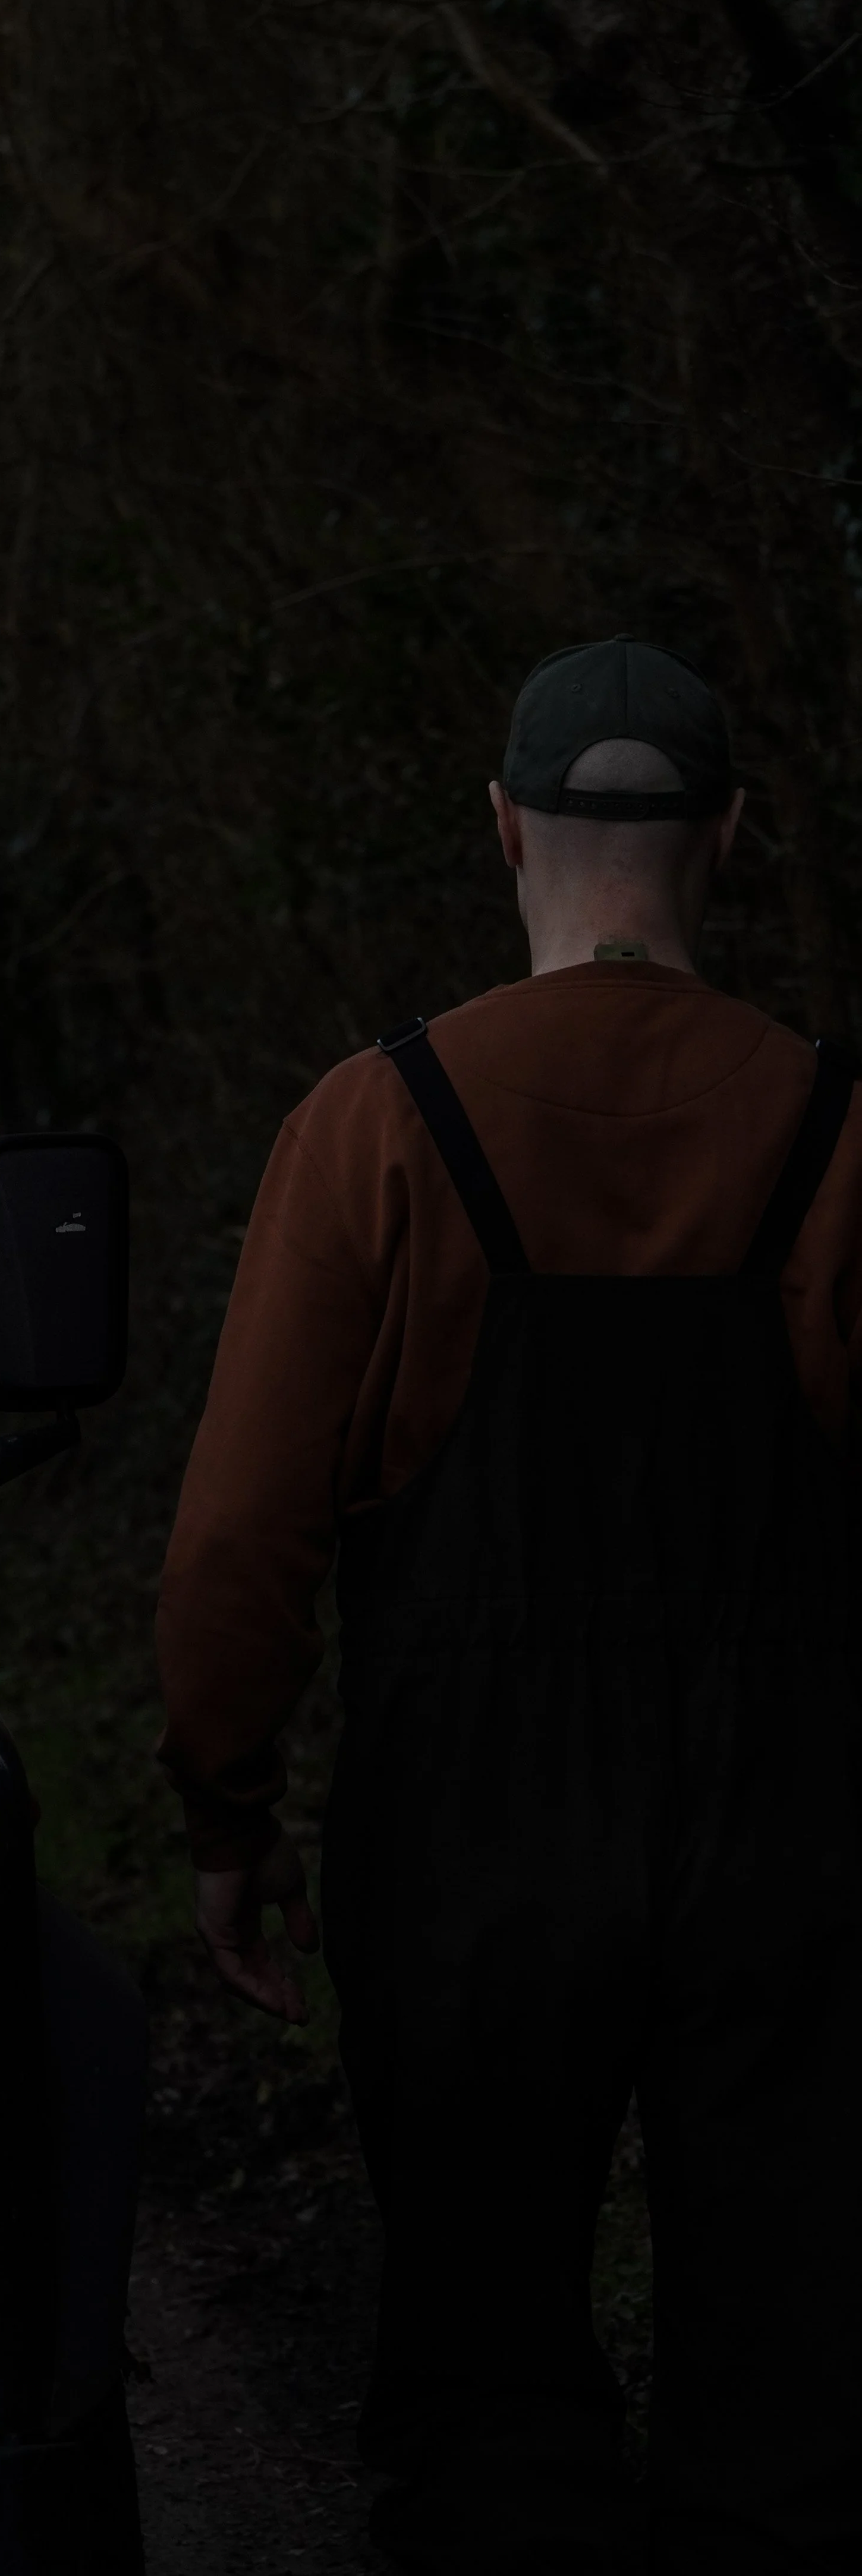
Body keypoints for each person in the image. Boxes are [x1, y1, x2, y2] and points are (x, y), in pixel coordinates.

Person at [155, 636, 862, 2576]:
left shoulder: (377, 1126)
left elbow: (237, 1540)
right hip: (785, 1831)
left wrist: (228, 1814)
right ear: (725, 833)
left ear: (500, 831)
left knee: (483, 2383)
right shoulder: (834, 1127)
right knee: (787, 2385)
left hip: (466, 1838)